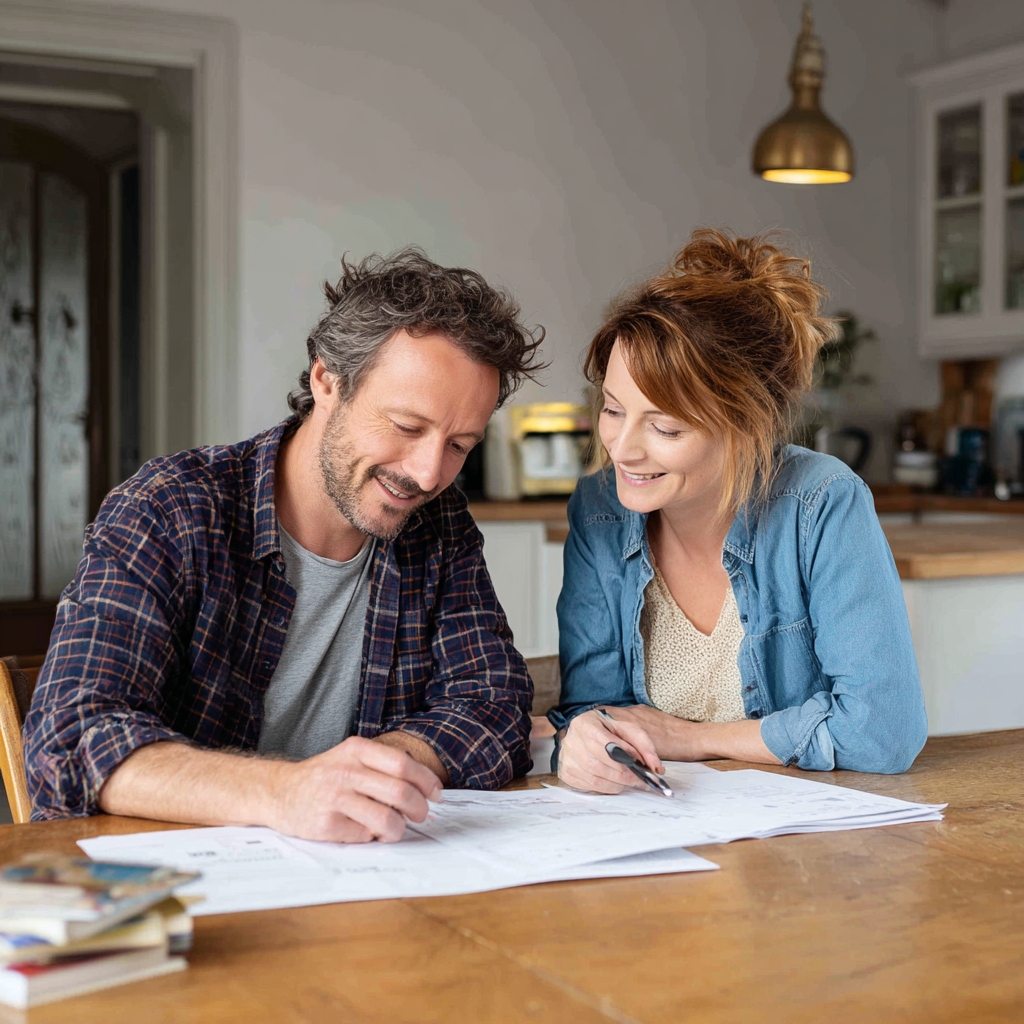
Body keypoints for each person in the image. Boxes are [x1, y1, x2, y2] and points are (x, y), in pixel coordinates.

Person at [25, 248, 544, 841]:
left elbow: (494, 704)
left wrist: (380, 771)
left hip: (356, 882)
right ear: (327, 380)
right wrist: (287, 791)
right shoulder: (170, 509)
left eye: (459, 445)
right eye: (406, 427)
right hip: (165, 885)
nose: (428, 474)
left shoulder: (437, 522)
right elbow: (71, 740)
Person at [550, 230, 928, 794]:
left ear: (743, 427)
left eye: (664, 427)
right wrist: (578, 740)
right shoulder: (601, 508)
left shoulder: (819, 504)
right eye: (612, 409)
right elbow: (594, 709)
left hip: (808, 850)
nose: (622, 448)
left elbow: (882, 733)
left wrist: (697, 738)